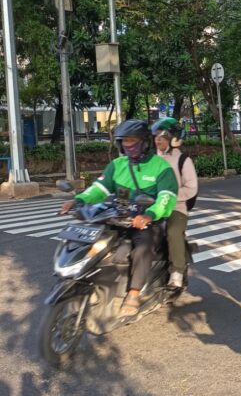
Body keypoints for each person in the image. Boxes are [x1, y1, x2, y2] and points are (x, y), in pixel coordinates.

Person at [60, 119, 178, 316]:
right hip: (118, 215)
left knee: (143, 246)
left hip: (147, 221)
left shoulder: (161, 167)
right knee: (96, 241)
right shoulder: (116, 165)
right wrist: (78, 200)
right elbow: (99, 189)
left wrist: (149, 215)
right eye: (124, 141)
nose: (129, 145)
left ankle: (133, 293)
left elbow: (167, 198)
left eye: (133, 141)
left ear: (146, 142)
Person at [152, 118, 199, 288]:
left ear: (174, 139)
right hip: (151, 208)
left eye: (163, 137)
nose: (158, 141)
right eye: (156, 137)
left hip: (176, 209)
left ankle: (177, 271)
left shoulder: (183, 160)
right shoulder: (151, 160)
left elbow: (191, 188)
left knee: (173, 232)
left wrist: (169, 196)